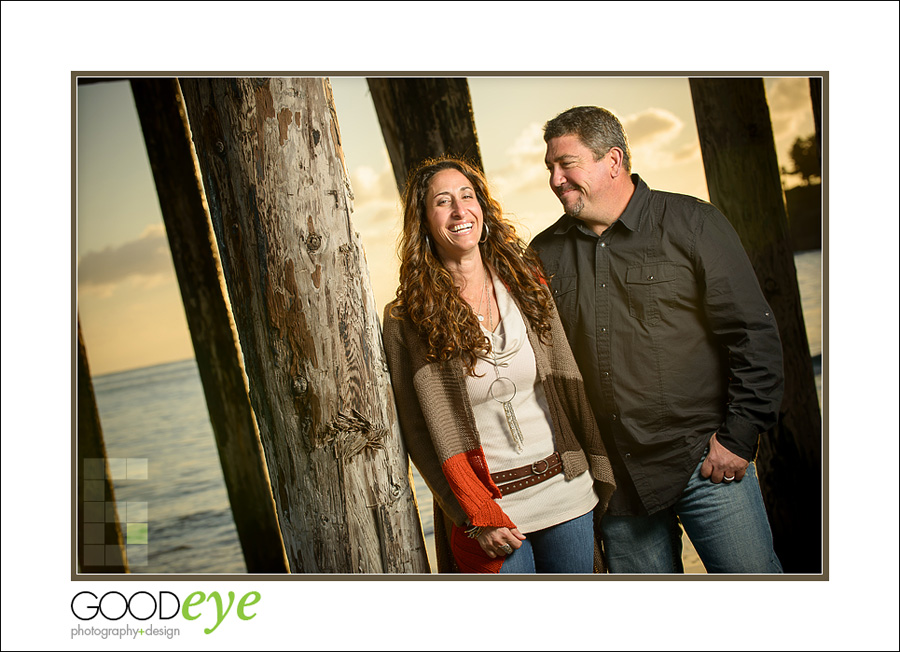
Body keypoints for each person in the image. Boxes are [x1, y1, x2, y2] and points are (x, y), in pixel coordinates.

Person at [530, 106, 784, 574]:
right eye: (550, 167)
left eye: (567, 163)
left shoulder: (692, 224)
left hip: (705, 462)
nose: (556, 179)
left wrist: (739, 437)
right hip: (616, 482)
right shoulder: (542, 254)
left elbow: (752, 335)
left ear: (613, 160)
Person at [382, 156, 616, 574]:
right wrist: (470, 514)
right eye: (443, 201)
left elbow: (567, 382)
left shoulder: (527, 283)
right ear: (423, 220)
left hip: (565, 492)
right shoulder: (407, 319)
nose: (459, 210)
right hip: (492, 513)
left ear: (482, 208)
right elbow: (418, 434)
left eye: (467, 196)